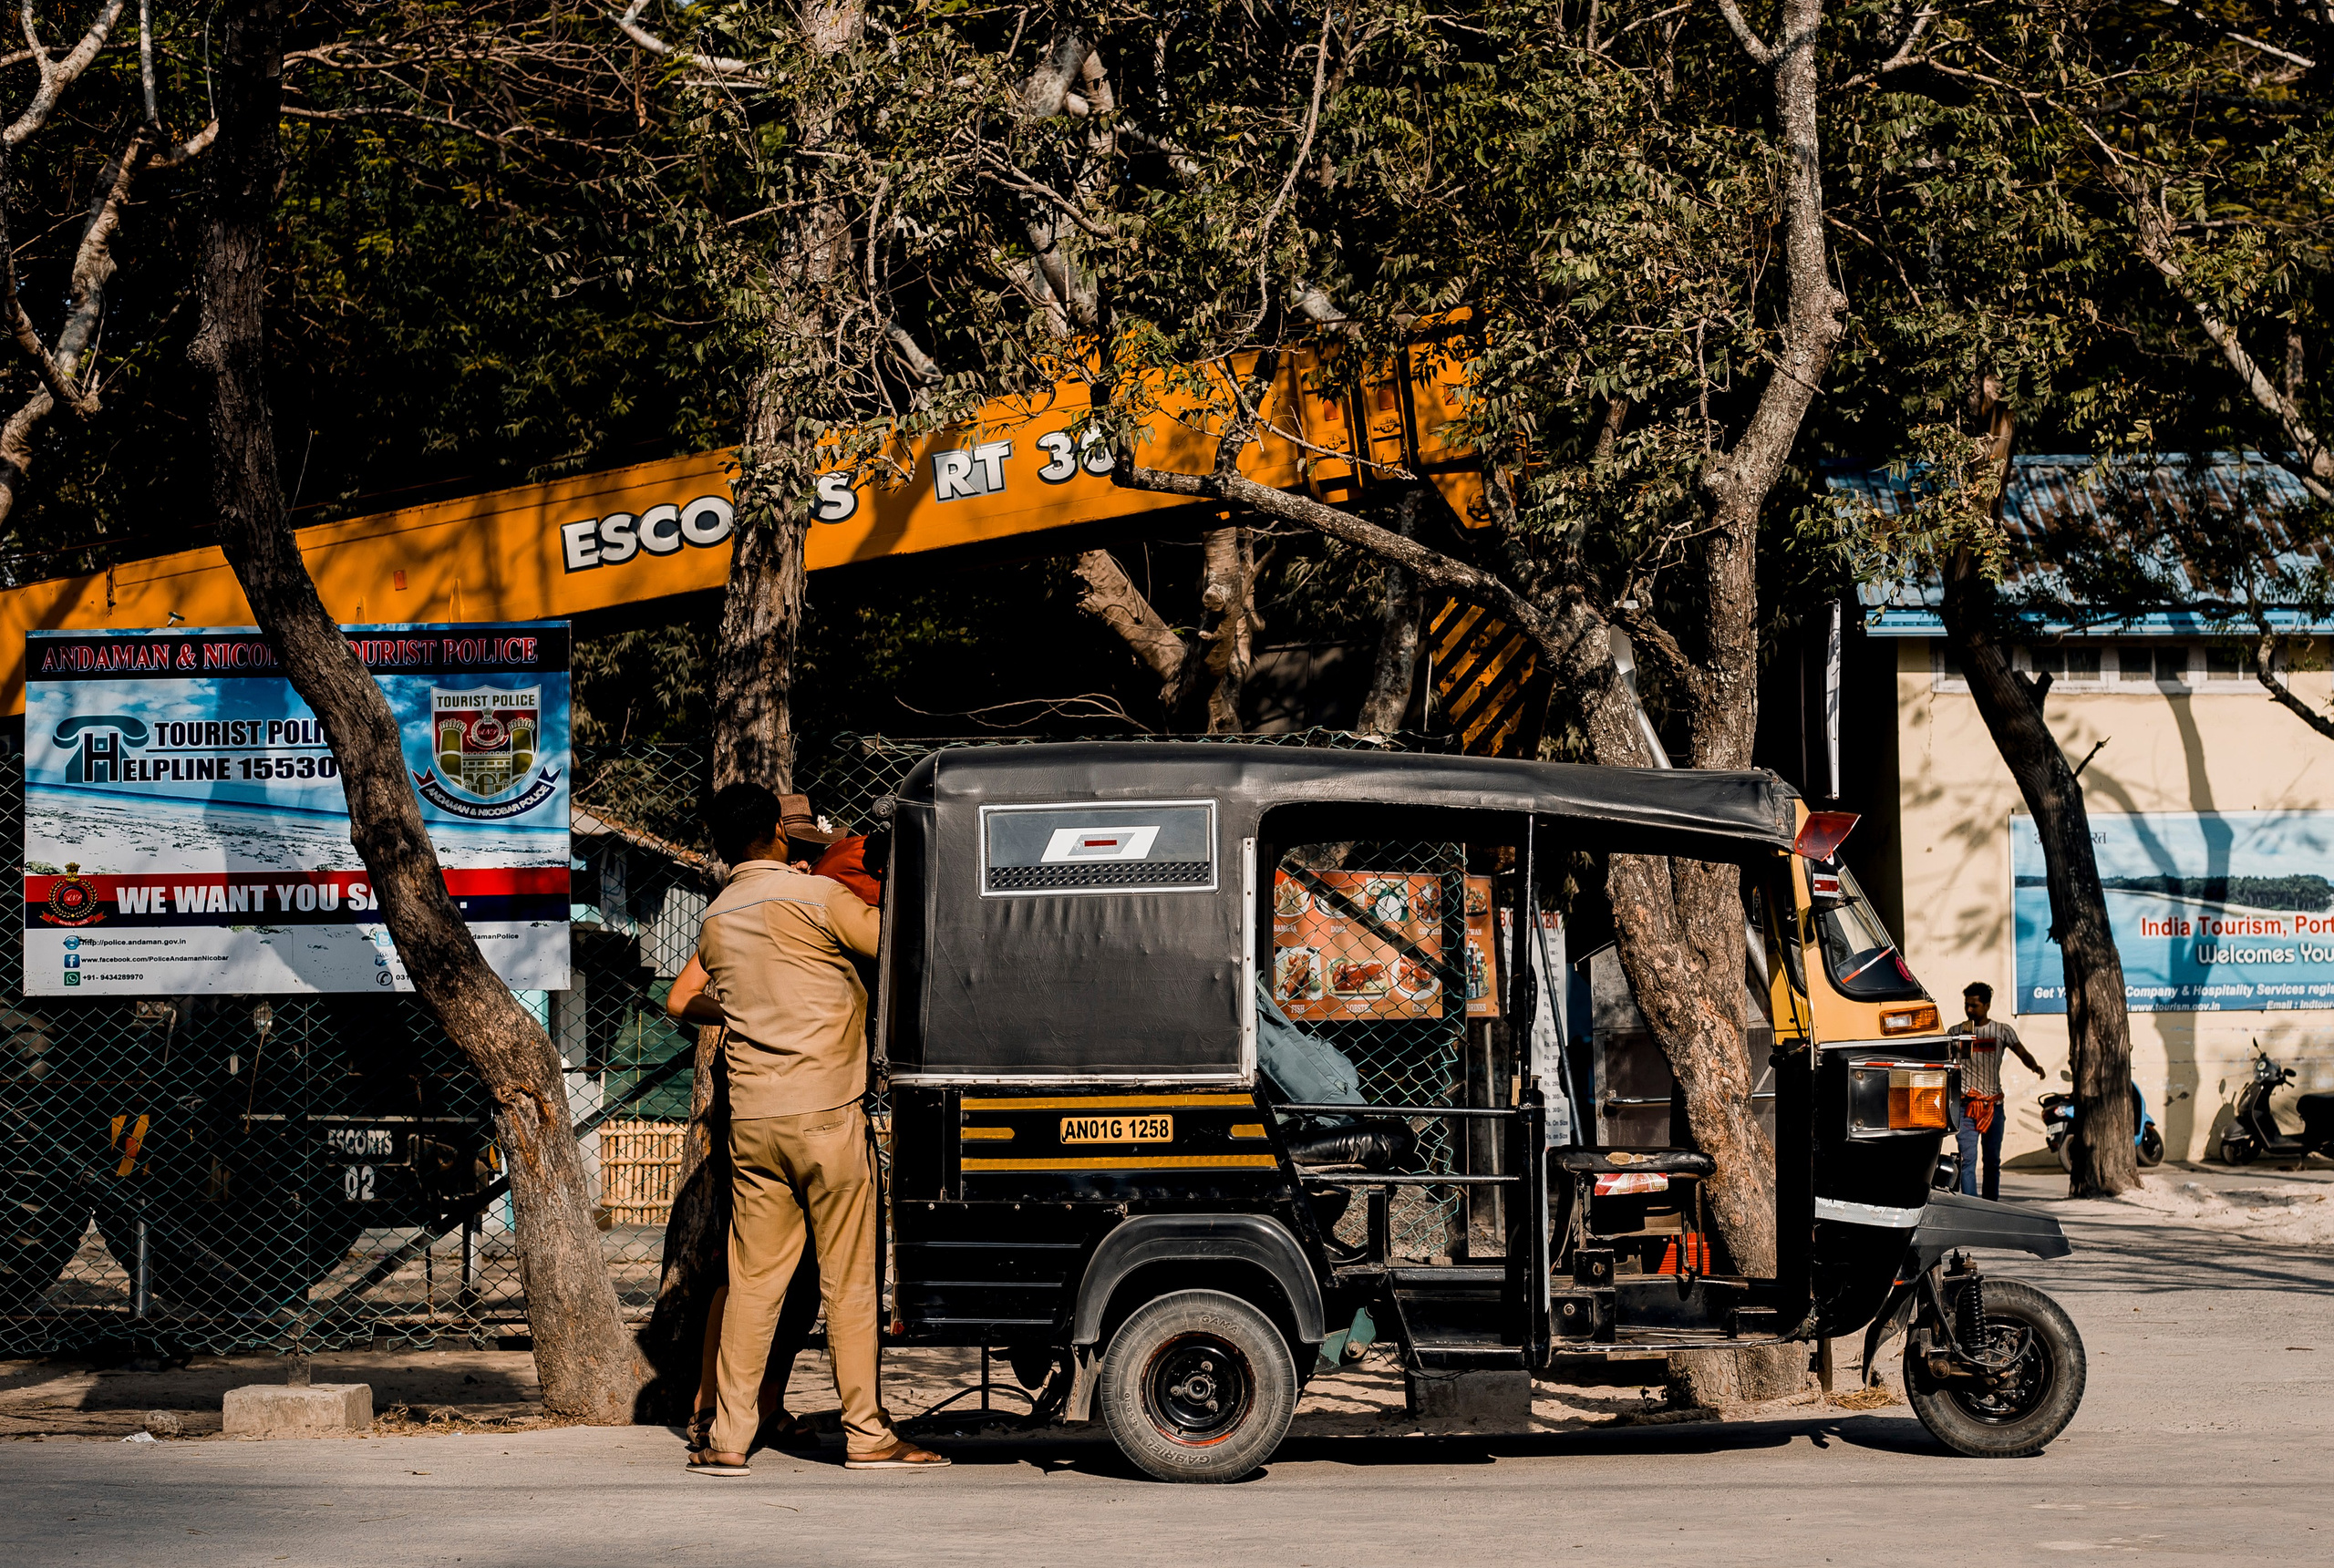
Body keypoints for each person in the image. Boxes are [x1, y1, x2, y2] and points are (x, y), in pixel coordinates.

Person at [666, 782, 945, 1476]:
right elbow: (899, 946)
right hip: (826, 1114)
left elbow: (697, 998)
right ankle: (868, 1434)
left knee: (753, 1281)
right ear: (777, 831)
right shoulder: (816, 898)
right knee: (850, 1283)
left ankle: (728, 1438)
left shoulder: (718, 919)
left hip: (754, 1124)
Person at [1947, 982, 2045, 1201]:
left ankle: (1991, 1205)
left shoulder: (2002, 1031)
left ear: (1987, 1005)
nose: (1969, 1010)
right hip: (1966, 1107)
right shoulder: (1956, 1032)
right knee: (1967, 1159)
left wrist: (2035, 1066)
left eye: (1974, 1005)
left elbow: (2022, 1052)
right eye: (1966, 1005)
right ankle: (1971, 1205)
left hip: (1993, 1107)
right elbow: (1944, 1062)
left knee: (1992, 1161)